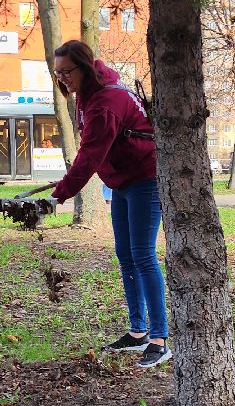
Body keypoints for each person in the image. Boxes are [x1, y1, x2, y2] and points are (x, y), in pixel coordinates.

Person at [48, 40, 170, 369]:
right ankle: (138, 332)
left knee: (143, 255)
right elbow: (93, 148)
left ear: (84, 67)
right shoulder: (88, 97)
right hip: (122, 182)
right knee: (126, 255)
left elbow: (90, 155)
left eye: (67, 72)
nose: (62, 79)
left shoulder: (106, 101)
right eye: (57, 74)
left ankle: (160, 339)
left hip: (145, 179)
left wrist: (60, 193)